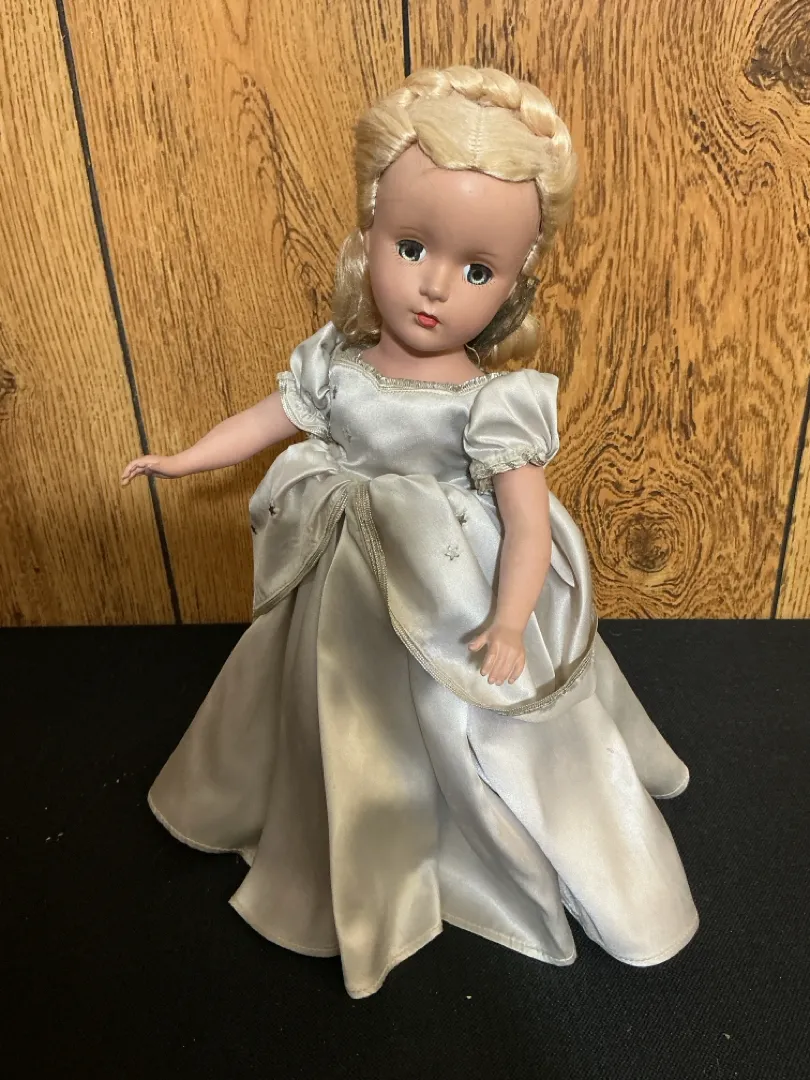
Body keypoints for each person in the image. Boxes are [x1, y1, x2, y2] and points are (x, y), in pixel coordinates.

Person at [122, 66, 698, 999]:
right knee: (337, 707)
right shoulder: (338, 364)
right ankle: (338, 824)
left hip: (448, 587)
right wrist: (184, 459)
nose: (435, 287)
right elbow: (269, 417)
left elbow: (526, 526)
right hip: (345, 587)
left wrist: (507, 621)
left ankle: (454, 833)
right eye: (412, 246)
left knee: (461, 721)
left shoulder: (493, 404)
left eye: (477, 270)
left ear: (515, 282)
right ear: (370, 235)